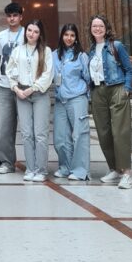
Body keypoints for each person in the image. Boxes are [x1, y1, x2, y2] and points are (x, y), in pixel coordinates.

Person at [87, 14, 132, 189]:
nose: (97, 29)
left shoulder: (117, 46)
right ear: (90, 29)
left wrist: (126, 89)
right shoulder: (91, 50)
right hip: (98, 92)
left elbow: (129, 69)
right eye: (94, 26)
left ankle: (127, 174)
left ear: (106, 28)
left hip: (116, 89)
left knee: (120, 132)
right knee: (103, 133)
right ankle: (115, 169)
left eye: (100, 26)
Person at [6, 20, 53, 181]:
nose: (31, 34)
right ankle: (30, 169)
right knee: (26, 133)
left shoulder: (46, 51)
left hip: (39, 93)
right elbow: (9, 71)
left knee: (40, 134)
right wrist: (16, 89)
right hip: (21, 94)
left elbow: (48, 74)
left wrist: (32, 89)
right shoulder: (18, 50)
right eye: (29, 30)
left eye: (35, 31)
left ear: (40, 35)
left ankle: (41, 170)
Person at [52, 23, 91, 183]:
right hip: (60, 101)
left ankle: (80, 171)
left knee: (79, 135)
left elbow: (88, 78)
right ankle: (65, 167)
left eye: (72, 35)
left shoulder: (81, 56)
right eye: (66, 35)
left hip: (77, 99)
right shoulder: (54, 55)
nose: (69, 38)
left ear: (76, 38)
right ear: (62, 36)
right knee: (60, 137)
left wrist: (87, 99)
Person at [0, 2, 24, 174]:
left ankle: (33, 163)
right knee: (5, 127)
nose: (12, 19)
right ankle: (7, 162)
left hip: (23, 86)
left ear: (21, 17)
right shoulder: (0, 36)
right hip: (5, 86)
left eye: (15, 15)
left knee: (27, 128)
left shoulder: (27, 33)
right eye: (9, 16)